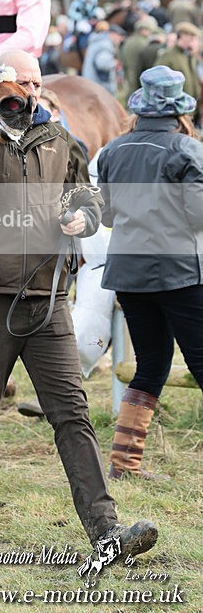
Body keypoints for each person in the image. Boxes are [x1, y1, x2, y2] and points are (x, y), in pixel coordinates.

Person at [0, 50, 158, 560]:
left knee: (72, 414)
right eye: (21, 82)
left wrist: (82, 217)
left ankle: (106, 531)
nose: (30, 92)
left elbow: (87, 199)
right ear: (0, 82)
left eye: (36, 83)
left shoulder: (58, 140)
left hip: (48, 300)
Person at [97, 65, 203, 480]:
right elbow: (198, 216)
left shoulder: (112, 151)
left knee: (151, 365)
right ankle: (125, 464)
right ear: (180, 111)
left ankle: (124, 464)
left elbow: (106, 215)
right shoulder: (187, 151)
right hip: (179, 273)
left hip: (129, 274)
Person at [157, 22, 202, 127]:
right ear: (181, 36)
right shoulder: (168, 56)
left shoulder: (190, 56)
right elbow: (159, 83)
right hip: (177, 112)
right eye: (190, 37)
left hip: (192, 111)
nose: (193, 40)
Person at [81, 21, 127, 96]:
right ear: (113, 34)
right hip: (100, 88)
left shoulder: (97, 42)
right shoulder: (106, 45)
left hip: (92, 85)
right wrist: (114, 63)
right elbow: (102, 64)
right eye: (119, 36)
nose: (120, 40)